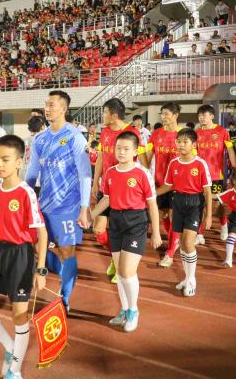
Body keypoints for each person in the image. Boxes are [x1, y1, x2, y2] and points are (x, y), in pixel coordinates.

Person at [0, 135, 47, 379]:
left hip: (21, 256)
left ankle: (15, 371)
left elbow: (42, 233)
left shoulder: (26, 193)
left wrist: (41, 269)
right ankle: (10, 348)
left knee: (19, 316)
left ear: (19, 162)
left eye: (5, 159)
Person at [25, 90, 91, 312]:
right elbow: (32, 172)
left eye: (51, 105)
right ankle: (66, 273)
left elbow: (85, 174)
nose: (47, 108)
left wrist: (84, 208)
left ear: (63, 108)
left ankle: (64, 299)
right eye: (46, 104)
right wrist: (25, 197)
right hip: (44, 205)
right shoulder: (40, 139)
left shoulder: (75, 137)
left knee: (66, 252)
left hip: (68, 207)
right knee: (36, 247)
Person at [89, 131, 161, 331]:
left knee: (128, 272)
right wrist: (91, 215)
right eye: (118, 148)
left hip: (136, 223)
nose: (121, 152)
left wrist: (156, 232)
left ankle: (133, 310)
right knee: (120, 272)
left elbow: (152, 205)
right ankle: (124, 308)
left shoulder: (142, 173)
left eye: (126, 149)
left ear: (135, 151)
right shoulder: (110, 172)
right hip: (116, 222)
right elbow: (107, 199)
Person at [91, 98, 145, 284]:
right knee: (98, 230)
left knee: (119, 230)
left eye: (104, 112)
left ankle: (121, 262)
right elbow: (100, 157)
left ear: (113, 115)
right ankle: (115, 258)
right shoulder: (105, 131)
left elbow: (140, 160)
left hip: (124, 191)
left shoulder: (132, 133)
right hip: (105, 189)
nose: (102, 116)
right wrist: (95, 182)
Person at [156, 128, 212, 297]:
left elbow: (207, 191)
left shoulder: (200, 163)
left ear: (194, 144)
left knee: (188, 242)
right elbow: (168, 185)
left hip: (195, 203)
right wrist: (151, 193)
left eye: (185, 142)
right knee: (181, 241)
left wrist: (208, 215)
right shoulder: (174, 163)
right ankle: (187, 278)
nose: (181, 144)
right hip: (178, 201)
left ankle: (191, 280)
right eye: (178, 141)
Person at [145, 102, 184, 268]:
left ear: (176, 115)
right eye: (162, 113)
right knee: (165, 216)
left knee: (174, 216)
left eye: (167, 113)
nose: (163, 116)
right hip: (160, 183)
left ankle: (170, 253)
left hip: (178, 184)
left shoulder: (183, 134)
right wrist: (146, 173)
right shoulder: (156, 134)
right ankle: (174, 241)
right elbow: (147, 156)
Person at [195, 105, 236, 244]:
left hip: (217, 175)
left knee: (217, 204)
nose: (201, 118)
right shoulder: (197, 132)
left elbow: (230, 150)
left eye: (204, 115)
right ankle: (199, 234)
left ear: (212, 116)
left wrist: (235, 168)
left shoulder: (222, 131)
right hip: (200, 176)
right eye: (199, 116)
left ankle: (224, 225)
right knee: (200, 204)